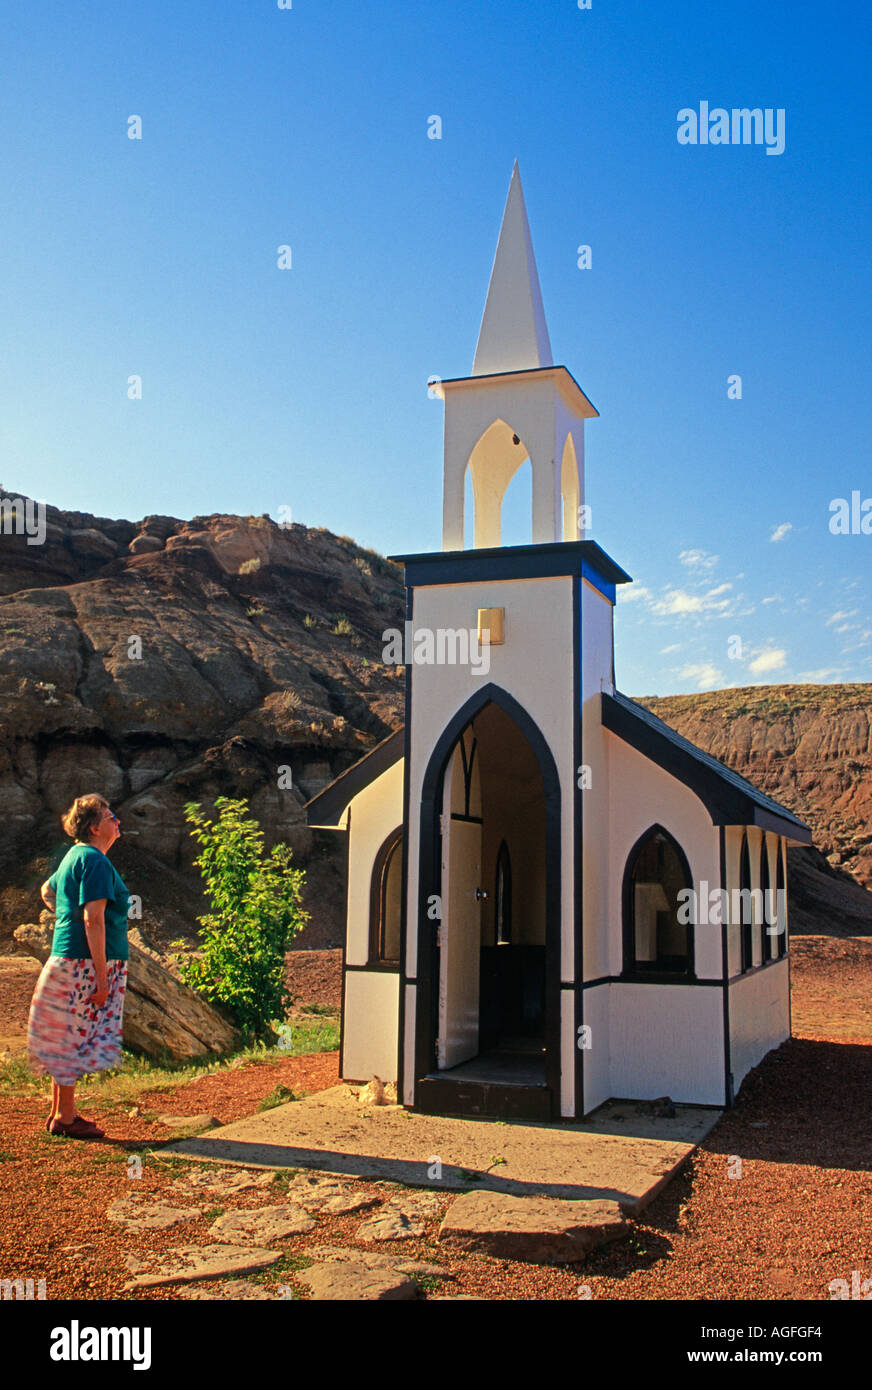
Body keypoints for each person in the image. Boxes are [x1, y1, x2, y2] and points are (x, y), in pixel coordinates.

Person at [27, 793, 129, 1139]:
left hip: (65, 957)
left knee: (66, 1032)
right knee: (76, 1035)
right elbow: (94, 920)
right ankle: (67, 1119)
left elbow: (47, 890)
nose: (117, 821)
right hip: (87, 963)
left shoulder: (73, 856)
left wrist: (63, 922)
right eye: (110, 816)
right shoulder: (96, 862)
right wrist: (103, 979)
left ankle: (60, 1113)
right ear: (95, 826)